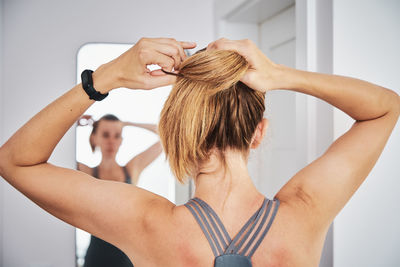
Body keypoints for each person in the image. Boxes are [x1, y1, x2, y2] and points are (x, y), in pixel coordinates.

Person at [0, 37, 399, 266]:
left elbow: (15, 161)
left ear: (177, 136)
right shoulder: (306, 210)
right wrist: (279, 75)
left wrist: (105, 77)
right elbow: (384, 108)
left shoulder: (144, 223)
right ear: (258, 133)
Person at [76, 114, 162, 267]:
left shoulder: (132, 169)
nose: (111, 141)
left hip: (127, 255)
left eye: (117, 135)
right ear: (94, 138)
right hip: (96, 255)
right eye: (105, 134)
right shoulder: (86, 172)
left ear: (121, 140)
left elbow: (164, 136)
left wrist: (128, 123)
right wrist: (74, 125)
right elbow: (56, 152)